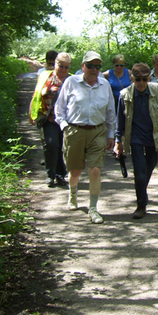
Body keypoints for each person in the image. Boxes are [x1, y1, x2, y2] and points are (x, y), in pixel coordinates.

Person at [55, 51, 116, 224]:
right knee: (75, 172)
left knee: (95, 169)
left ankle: (93, 208)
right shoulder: (71, 82)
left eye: (97, 66)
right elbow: (59, 109)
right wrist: (65, 127)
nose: (94, 69)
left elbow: (111, 112)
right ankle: (73, 193)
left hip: (97, 131)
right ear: (83, 66)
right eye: (90, 66)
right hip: (75, 131)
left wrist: (111, 134)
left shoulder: (104, 85)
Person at [114, 63, 158, 219]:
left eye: (144, 79)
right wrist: (118, 141)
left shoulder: (156, 90)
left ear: (149, 78)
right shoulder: (124, 95)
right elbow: (120, 120)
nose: (141, 83)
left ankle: (142, 192)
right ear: (132, 79)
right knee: (140, 173)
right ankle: (141, 205)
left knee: (150, 166)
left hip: (153, 136)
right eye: (138, 80)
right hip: (135, 137)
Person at [29, 52, 72, 187]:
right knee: (51, 143)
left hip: (66, 120)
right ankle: (50, 175)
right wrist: (31, 112)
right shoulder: (44, 76)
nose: (63, 69)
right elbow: (36, 93)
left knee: (61, 147)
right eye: (61, 66)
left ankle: (60, 175)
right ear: (55, 64)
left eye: (66, 67)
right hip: (49, 118)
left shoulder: (72, 80)